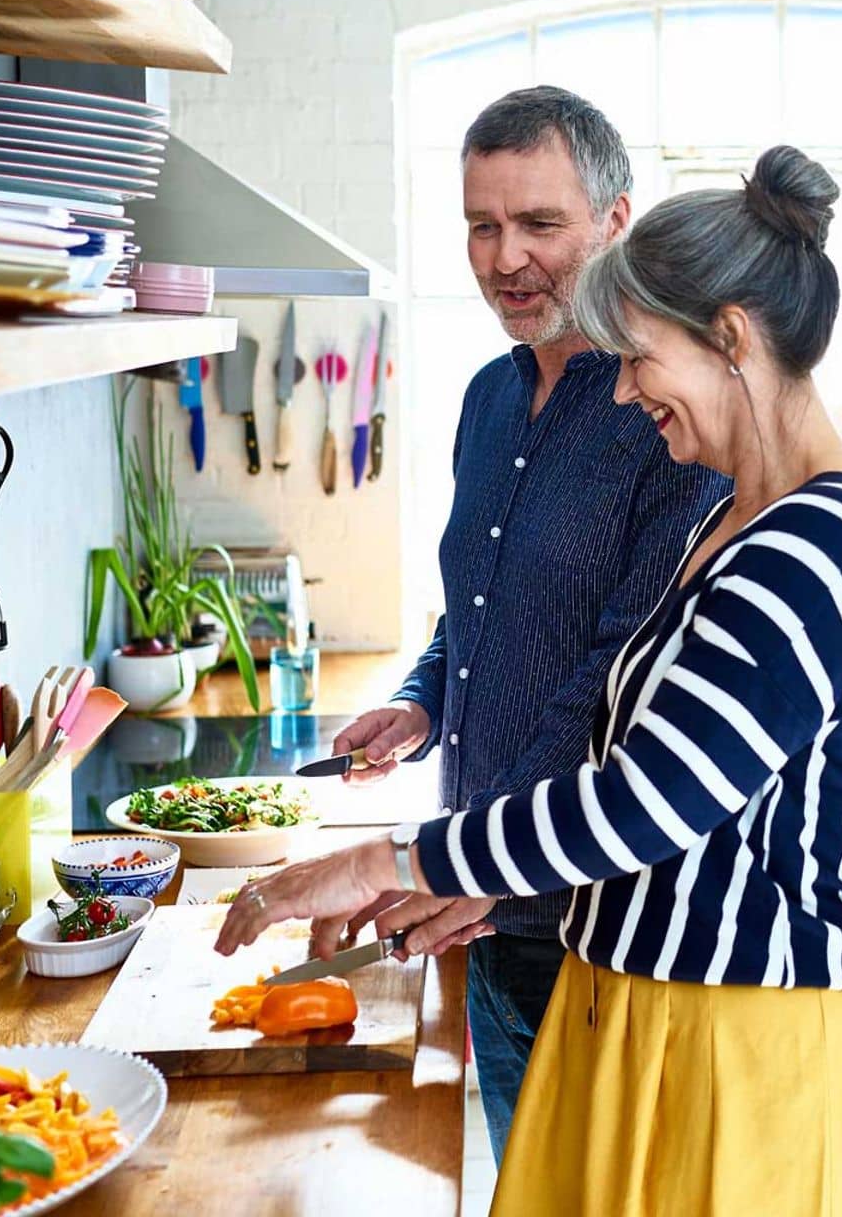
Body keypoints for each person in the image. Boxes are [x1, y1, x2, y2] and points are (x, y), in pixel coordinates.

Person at [222, 145, 842, 1216]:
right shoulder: (729, 515)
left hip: (749, 1053)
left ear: (731, 339)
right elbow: (645, 775)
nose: (627, 386)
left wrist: (387, 856)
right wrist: (472, 875)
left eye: (641, 356)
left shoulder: (823, 546)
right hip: (651, 1022)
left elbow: (644, 801)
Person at [323, 85, 728, 1162]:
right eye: (480, 225)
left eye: (539, 224)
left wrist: (456, 862)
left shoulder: (663, 420)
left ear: (613, 221)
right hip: (484, 911)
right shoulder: (486, 400)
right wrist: (418, 702)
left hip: (599, 933)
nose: (507, 258)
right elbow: (478, 608)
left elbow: (611, 680)